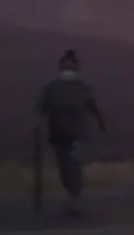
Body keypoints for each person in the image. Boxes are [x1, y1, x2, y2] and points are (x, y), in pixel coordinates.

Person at [34, 50, 107, 217]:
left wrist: (100, 122)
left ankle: (73, 199)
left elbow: (92, 105)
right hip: (59, 134)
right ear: (60, 67)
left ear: (76, 67)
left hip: (78, 132)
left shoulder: (83, 85)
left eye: (70, 64)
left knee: (74, 164)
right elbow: (41, 108)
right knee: (64, 167)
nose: (68, 67)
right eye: (65, 64)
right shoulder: (51, 87)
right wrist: (37, 125)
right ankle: (71, 195)